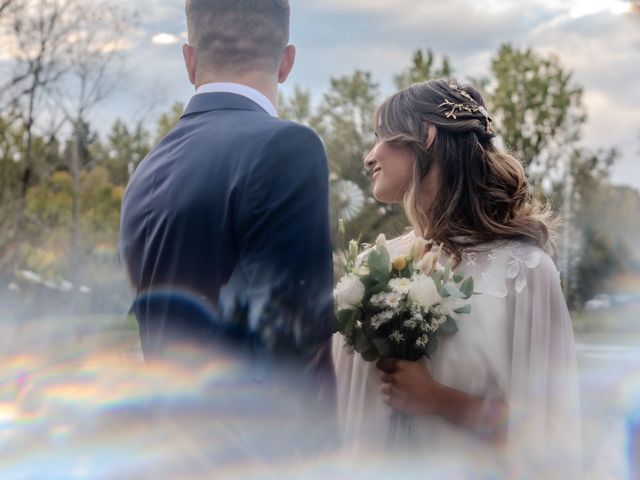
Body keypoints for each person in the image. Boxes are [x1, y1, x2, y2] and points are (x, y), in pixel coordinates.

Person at [332, 79, 582, 477]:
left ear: (426, 136)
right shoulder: (375, 265)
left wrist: (437, 399)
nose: (369, 156)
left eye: (381, 136)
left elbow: (551, 432)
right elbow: (339, 407)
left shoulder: (523, 270)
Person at [119, 0, 335, 456]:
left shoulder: (146, 170)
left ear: (189, 60)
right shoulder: (287, 148)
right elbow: (297, 344)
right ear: (286, 62)